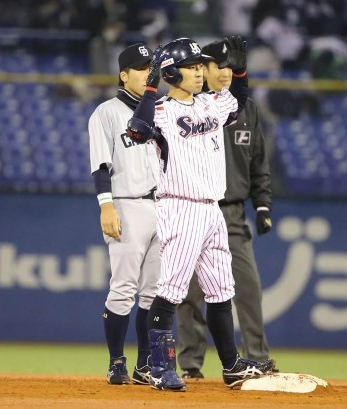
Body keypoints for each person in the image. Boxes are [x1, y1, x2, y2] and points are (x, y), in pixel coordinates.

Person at [126, 36, 276, 391]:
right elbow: (136, 130)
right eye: (191, 67)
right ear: (171, 73)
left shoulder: (210, 104)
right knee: (171, 290)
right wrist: (151, 88)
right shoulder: (161, 111)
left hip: (212, 210)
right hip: (180, 207)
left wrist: (240, 71)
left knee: (221, 291)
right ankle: (158, 367)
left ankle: (231, 366)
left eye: (198, 67)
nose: (198, 73)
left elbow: (238, 100)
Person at [176, 40, 274, 380]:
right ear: (202, 69)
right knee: (190, 293)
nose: (225, 72)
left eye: (231, 66)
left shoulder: (247, 109)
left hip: (232, 213)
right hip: (195, 209)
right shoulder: (192, 107)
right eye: (219, 65)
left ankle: (258, 358)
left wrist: (263, 205)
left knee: (248, 287)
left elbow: (259, 163)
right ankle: (191, 365)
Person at [88, 43, 160, 386]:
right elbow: (101, 165)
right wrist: (106, 205)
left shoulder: (161, 110)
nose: (148, 74)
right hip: (127, 204)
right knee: (123, 289)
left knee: (154, 292)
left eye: (151, 68)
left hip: (163, 205)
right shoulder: (106, 113)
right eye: (142, 68)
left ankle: (145, 365)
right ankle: (116, 362)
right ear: (123, 74)